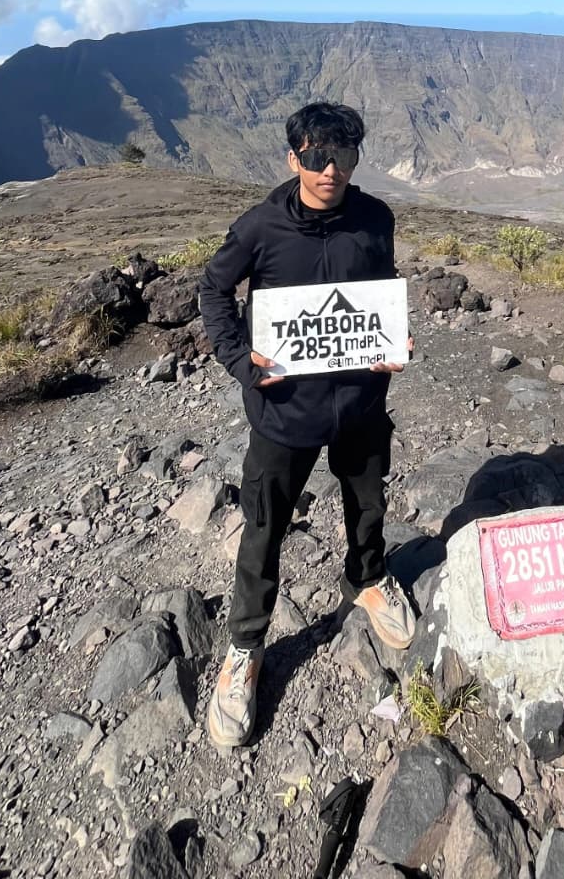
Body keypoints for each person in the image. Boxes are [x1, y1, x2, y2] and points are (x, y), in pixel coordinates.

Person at [198, 101, 417, 748]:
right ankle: (244, 648)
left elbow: (379, 285)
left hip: (358, 403)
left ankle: (369, 578)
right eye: (317, 157)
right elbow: (213, 291)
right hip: (283, 415)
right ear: (293, 158)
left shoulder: (376, 218)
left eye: (343, 157)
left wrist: (389, 336)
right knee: (264, 528)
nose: (330, 170)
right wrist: (242, 359)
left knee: (368, 503)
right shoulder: (260, 228)